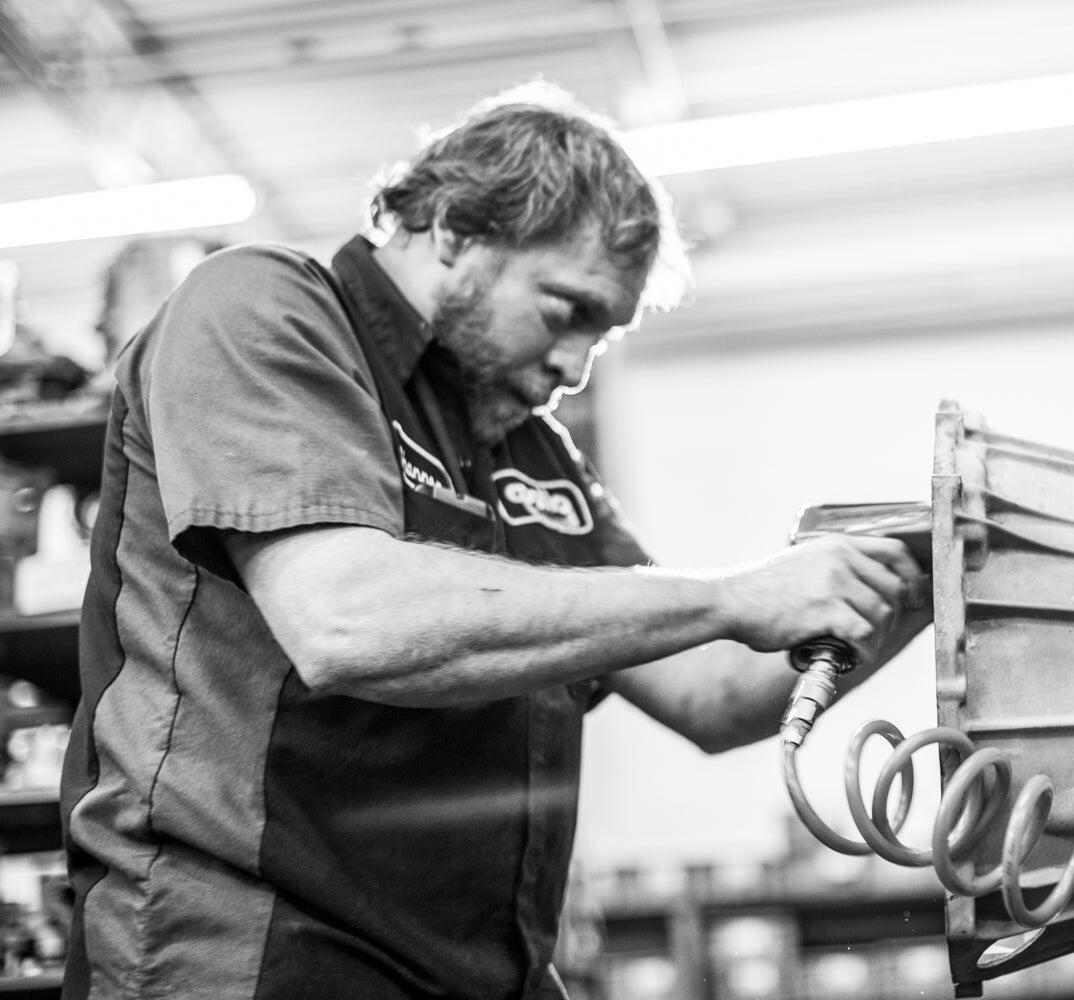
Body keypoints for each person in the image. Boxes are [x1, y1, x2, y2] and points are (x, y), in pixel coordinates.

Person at [59, 82, 929, 1000]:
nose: (573, 368)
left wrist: (928, 576)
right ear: (454, 231)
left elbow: (709, 695)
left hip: (470, 966)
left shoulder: (530, 451)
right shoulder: (261, 307)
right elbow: (345, 620)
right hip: (249, 952)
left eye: (602, 337)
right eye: (566, 310)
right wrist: (733, 593)